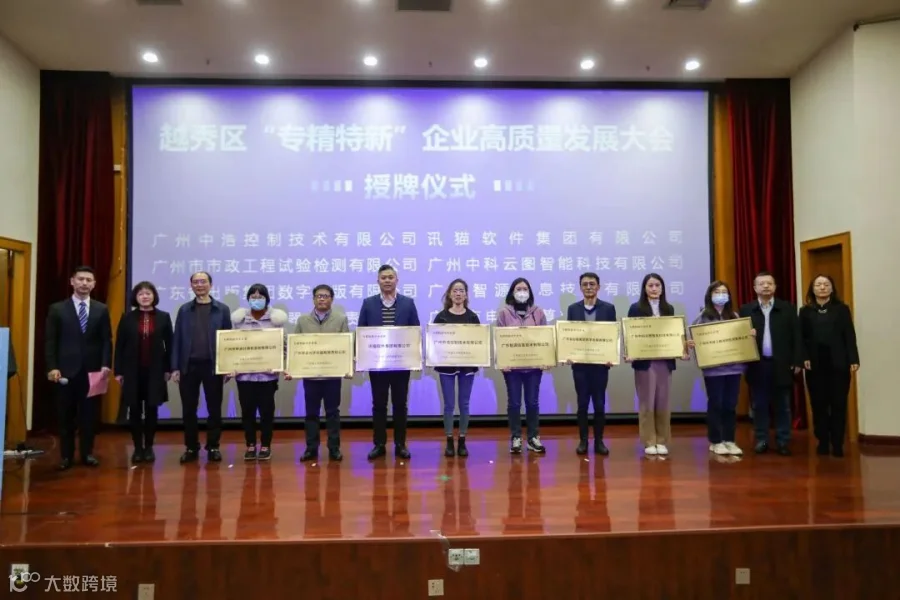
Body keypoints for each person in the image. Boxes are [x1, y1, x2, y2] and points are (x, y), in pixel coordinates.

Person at [45, 266, 113, 470]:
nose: (84, 283)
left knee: (89, 416)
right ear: (72, 281)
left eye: (88, 280)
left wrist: (105, 364)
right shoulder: (57, 309)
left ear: (94, 284)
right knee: (65, 416)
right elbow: (50, 341)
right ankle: (66, 456)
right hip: (65, 371)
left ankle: (87, 453)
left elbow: (106, 340)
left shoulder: (101, 309)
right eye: (81, 279)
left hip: (92, 372)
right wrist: (52, 367)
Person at [358, 265, 420, 460]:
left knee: (400, 405)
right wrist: (362, 358)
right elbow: (361, 332)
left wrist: (414, 357)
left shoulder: (408, 303)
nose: (387, 280)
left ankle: (400, 444)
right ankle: (379, 444)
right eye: (383, 277)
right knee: (379, 405)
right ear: (378, 281)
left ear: (396, 280)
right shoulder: (368, 303)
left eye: (390, 277)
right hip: (377, 366)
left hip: (401, 365)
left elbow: (415, 332)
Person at [171, 271, 232, 464]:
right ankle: (191, 447)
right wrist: (175, 367)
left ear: (210, 285)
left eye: (203, 281)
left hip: (213, 366)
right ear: (191, 286)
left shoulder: (222, 310)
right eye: (196, 282)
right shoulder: (184, 310)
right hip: (188, 366)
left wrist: (227, 365)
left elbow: (228, 340)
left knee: (214, 408)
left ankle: (213, 446)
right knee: (189, 409)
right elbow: (177, 339)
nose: (199, 285)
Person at [739, 271, 803, 456]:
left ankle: (783, 441)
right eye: (761, 283)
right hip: (757, 365)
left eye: (769, 283)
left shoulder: (787, 308)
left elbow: (797, 336)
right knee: (759, 406)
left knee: (783, 406)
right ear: (754, 288)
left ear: (775, 287)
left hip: (782, 364)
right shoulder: (746, 310)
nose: (766, 286)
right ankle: (762, 440)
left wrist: (797, 360)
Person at [627, 273, 687, 457]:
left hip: (664, 361)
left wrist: (682, 350)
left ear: (662, 288)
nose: (654, 288)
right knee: (647, 402)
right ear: (644, 288)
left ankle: (661, 440)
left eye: (657, 285)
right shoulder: (636, 308)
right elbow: (631, 334)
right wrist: (630, 352)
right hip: (645, 363)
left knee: (663, 402)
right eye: (650, 285)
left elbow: (674, 334)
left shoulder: (668, 308)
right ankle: (649, 441)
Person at [799, 274, 860, 457]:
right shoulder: (805, 311)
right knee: (819, 404)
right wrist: (803, 357)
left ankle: (837, 443)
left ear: (832, 288)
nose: (822, 287)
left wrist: (853, 359)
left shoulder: (842, 309)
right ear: (812, 289)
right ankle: (823, 441)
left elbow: (849, 334)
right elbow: (801, 338)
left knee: (838, 404)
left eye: (826, 284)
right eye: (818, 284)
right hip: (815, 365)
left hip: (839, 364)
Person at [114, 281, 173, 464]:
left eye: (148, 293)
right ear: (136, 297)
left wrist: (169, 369)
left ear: (154, 296)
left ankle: (149, 447)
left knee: (152, 410)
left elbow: (170, 345)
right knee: (134, 410)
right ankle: (137, 448)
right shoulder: (127, 318)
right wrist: (119, 371)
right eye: (141, 294)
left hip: (155, 371)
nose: (145, 296)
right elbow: (120, 346)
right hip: (132, 371)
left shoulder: (163, 317)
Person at [291, 284, 350, 462]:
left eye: (325, 296)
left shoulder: (340, 319)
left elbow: (346, 346)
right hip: (311, 376)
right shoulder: (303, 320)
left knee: (333, 413)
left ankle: (334, 448)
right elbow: (295, 347)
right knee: (311, 414)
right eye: (318, 296)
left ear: (332, 299)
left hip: (332, 376)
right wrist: (292, 368)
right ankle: (311, 449)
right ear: (313, 299)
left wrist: (347, 367)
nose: (322, 299)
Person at [688, 281, 746, 457]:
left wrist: (748, 335)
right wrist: (693, 343)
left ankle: (729, 440)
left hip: (734, 368)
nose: (721, 294)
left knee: (730, 404)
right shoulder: (703, 317)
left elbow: (742, 338)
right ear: (710, 295)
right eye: (717, 291)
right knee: (716, 404)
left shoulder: (734, 316)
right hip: (713, 370)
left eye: (724, 291)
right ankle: (716, 441)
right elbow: (695, 338)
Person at [231, 284, 287, 462]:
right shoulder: (240, 320)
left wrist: (279, 365)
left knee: (266, 413)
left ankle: (265, 445)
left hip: (267, 377)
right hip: (244, 376)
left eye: (260, 297)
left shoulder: (275, 321)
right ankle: (250, 445)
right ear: (248, 299)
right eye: (253, 297)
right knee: (247, 413)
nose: (256, 300)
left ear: (267, 299)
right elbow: (230, 346)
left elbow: (284, 347)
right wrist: (230, 365)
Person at [496, 277, 550, 455]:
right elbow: (500, 340)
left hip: (534, 367)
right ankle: (516, 438)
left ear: (530, 292)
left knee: (532, 402)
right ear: (512, 292)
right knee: (514, 403)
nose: (522, 292)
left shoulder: (538, 313)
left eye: (525, 289)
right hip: (512, 369)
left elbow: (545, 338)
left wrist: (546, 358)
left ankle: (533, 438)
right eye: (518, 289)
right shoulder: (504, 313)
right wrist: (502, 361)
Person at [566, 272, 616, 456]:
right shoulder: (573, 309)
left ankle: (599, 441)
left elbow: (612, 335)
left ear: (598, 287)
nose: (588, 287)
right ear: (580, 287)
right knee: (582, 404)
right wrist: (568, 354)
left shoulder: (608, 308)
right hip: (580, 365)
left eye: (592, 284)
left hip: (600, 365)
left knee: (599, 404)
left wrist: (611, 356)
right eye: (585, 284)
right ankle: (583, 441)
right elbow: (569, 335)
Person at [433, 278, 480, 458]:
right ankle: (449, 441)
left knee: (464, 404)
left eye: (461, 290)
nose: (458, 293)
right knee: (449, 405)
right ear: (449, 294)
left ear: (466, 295)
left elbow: (479, 342)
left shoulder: (472, 317)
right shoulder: (442, 317)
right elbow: (435, 342)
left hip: (467, 366)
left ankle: (462, 440)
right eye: (455, 290)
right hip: (446, 366)